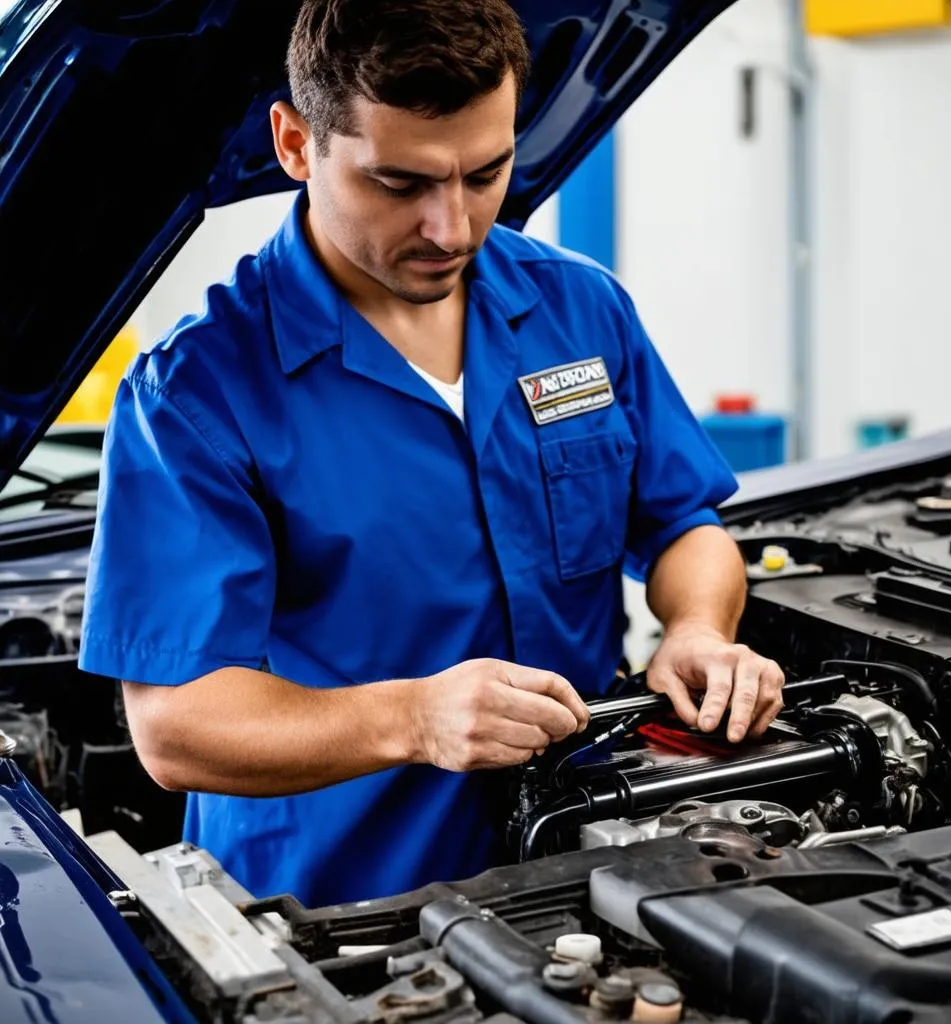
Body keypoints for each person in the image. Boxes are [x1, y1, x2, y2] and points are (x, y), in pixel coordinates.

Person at [79, 0, 785, 908]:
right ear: (296, 146)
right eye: (401, 183)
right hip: (334, 917)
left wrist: (697, 629)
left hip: (581, 871)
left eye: (485, 173)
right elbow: (176, 730)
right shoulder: (199, 391)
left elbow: (683, 521)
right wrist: (411, 717)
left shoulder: (580, 310)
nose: (452, 227)